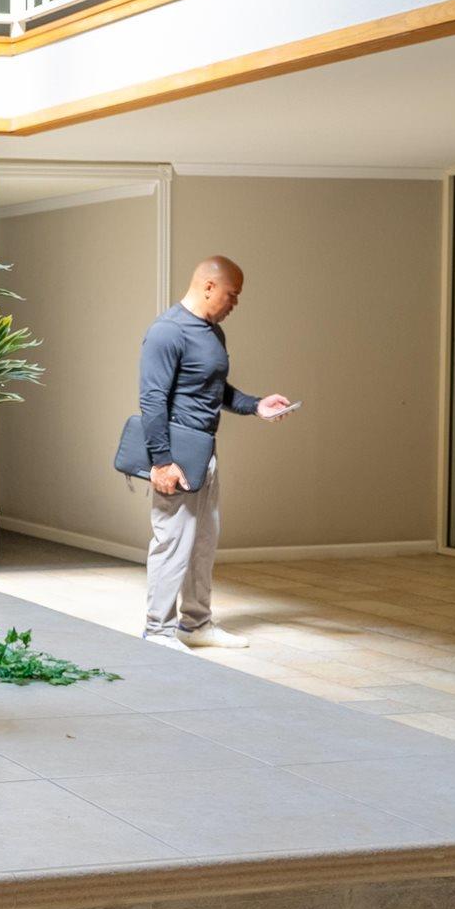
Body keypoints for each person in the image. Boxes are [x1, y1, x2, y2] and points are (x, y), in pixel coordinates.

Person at [117, 256, 294, 649]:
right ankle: (158, 629)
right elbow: (152, 399)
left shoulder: (213, 333)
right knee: (172, 541)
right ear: (209, 286)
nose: (235, 303)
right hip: (176, 456)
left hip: (203, 453)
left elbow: (216, 387)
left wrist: (256, 404)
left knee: (203, 541)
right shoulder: (167, 331)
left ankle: (195, 624)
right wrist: (161, 461)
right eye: (233, 294)